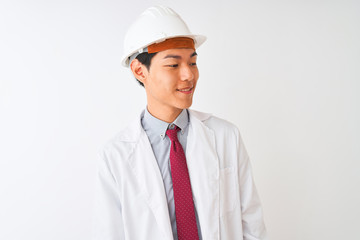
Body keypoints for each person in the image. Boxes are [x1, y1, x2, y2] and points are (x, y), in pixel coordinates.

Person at [93, 5, 267, 240]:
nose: (188, 75)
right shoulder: (115, 156)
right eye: (173, 65)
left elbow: (252, 227)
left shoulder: (227, 136)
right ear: (139, 70)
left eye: (193, 63)